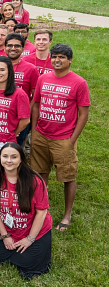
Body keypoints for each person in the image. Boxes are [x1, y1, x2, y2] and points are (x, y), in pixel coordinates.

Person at [30, 44, 90, 232]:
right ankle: (40, 211)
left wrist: (72, 139)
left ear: (70, 60)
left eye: (62, 57)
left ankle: (67, 215)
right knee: (39, 176)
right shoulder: (43, 78)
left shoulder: (79, 83)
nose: (57, 60)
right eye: (54, 57)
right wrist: (34, 130)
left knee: (67, 177)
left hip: (64, 138)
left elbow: (83, 113)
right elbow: (36, 105)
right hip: (41, 134)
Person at [0, 143, 52, 280]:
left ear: (21, 159)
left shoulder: (35, 181)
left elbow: (42, 213)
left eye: (14, 157)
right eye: (5, 156)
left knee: (28, 265)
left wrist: (30, 239)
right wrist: (5, 236)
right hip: (8, 228)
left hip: (33, 229)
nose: (9, 160)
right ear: (0, 158)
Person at [0, 57, 31, 171]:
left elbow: (25, 120)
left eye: (2, 70)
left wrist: (14, 132)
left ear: (9, 71)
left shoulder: (19, 94)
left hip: (3, 142)